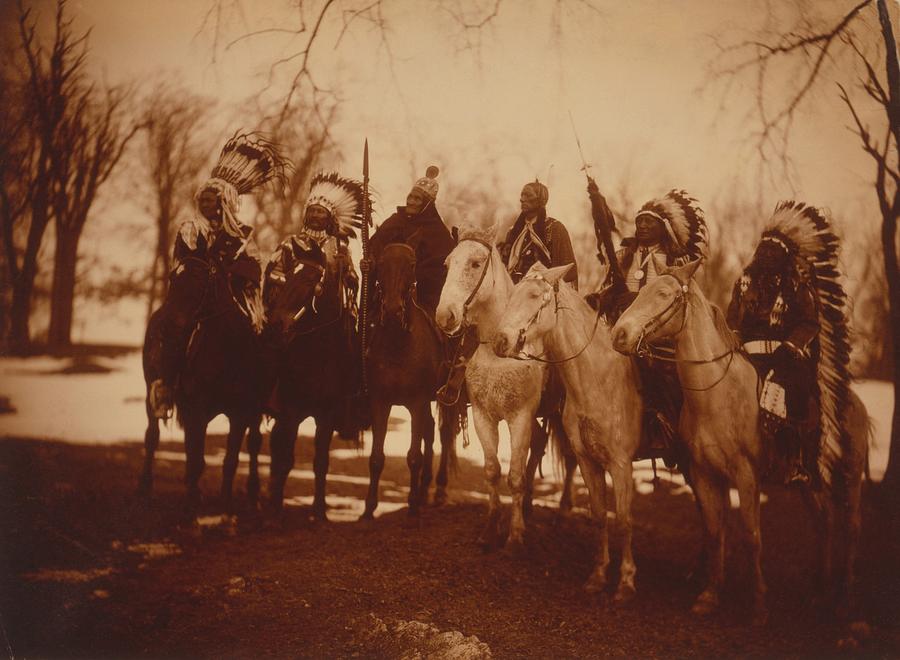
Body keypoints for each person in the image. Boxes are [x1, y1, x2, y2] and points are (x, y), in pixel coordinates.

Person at [149, 133, 288, 419]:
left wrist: (234, 274)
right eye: (204, 199)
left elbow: (252, 267)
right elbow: (185, 260)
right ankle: (166, 387)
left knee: (257, 334)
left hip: (233, 297)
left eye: (213, 200)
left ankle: (259, 395)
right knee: (175, 327)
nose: (206, 204)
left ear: (225, 202)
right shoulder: (190, 229)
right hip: (193, 297)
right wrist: (206, 268)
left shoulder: (243, 235)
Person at [727, 201, 849, 487]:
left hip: (787, 357)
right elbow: (733, 317)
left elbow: (809, 322)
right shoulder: (744, 283)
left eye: (775, 251)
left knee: (790, 392)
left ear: (785, 256)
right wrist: (733, 337)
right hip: (748, 356)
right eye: (764, 249)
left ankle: (797, 461)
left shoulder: (796, 286)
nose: (768, 255)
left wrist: (792, 346)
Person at [588, 187, 709, 454]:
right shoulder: (624, 256)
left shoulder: (678, 260)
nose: (641, 226)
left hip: (660, 336)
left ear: (663, 226)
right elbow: (607, 287)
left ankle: (666, 427)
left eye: (648, 221)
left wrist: (635, 301)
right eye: (639, 221)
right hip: (621, 330)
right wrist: (601, 298)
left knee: (661, 377)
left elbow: (679, 301)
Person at [436, 179, 577, 406]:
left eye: (529, 195)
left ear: (541, 200)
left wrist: (552, 293)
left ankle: (563, 390)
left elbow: (566, 269)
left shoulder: (554, 229)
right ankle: (457, 380)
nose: (523, 199)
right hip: (512, 292)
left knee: (555, 339)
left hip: (540, 294)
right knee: (475, 327)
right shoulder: (514, 231)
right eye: (522, 194)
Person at [262, 172, 367, 435]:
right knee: (271, 347)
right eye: (313, 211)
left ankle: (349, 407)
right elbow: (273, 272)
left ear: (329, 218)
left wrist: (348, 271)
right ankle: (269, 397)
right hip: (294, 311)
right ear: (306, 215)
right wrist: (292, 283)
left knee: (353, 347)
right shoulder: (291, 243)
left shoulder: (340, 246)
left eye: (321, 213)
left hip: (330, 314)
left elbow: (353, 281)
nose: (316, 216)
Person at [364, 166, 455, 317]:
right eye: (410, 197)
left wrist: (415, 276)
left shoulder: (438, 231)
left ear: (427, 204)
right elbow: (375, 249)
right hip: (387, 291)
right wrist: (370, 263)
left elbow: (443, 267)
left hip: (424, 296)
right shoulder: (394, 222)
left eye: (417, 199)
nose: (411, 202)